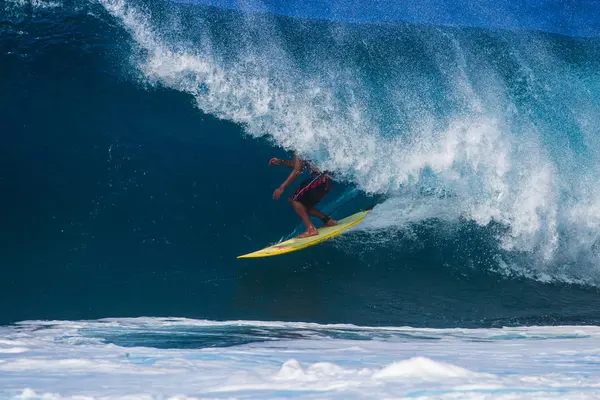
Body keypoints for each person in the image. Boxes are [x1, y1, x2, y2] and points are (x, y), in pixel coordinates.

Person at [270, 152, 337, 238]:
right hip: (326, 179)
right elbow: (298, 164)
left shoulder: (298, 146)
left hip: (320, 179)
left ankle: (311, 229)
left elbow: (297, 171)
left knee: (294, 200)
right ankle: (328, 221)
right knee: (302, 206)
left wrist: (281, 188)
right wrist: (280, 162)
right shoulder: (305, 142)